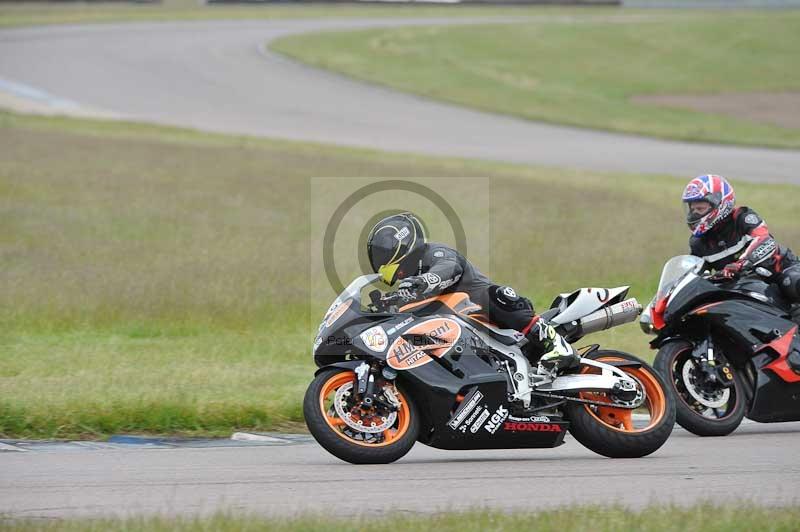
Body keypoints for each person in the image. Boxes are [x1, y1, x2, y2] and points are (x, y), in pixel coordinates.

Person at [366, 212, 578, 374]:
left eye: (382, 253)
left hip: (487, 311)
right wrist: (388, 305)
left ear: (402, 244)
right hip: (461, 333)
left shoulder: (434, 253)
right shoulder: (409, 284)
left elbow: (450, 267)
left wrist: (424, 280)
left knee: (495, 295)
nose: (380, 259)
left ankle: (557, 345)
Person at [682, 174, 800, 309]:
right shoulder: (698, 242)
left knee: (792, 282)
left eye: (700, 209)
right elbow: (692, 273)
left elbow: (764, 240)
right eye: (692, 209)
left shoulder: (742, 217)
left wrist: (740, 264)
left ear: (720, 204)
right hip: (745, 285)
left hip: (780, 270)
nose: (694, 214)